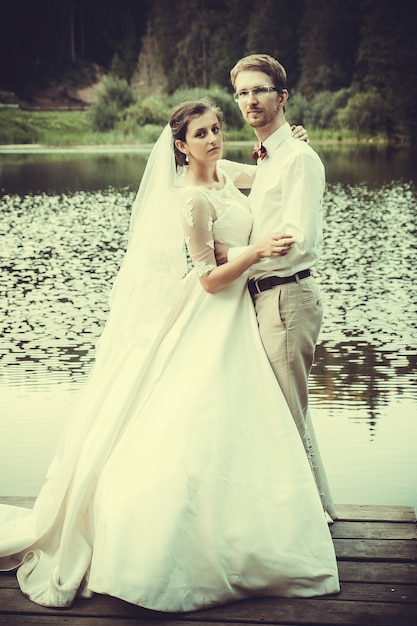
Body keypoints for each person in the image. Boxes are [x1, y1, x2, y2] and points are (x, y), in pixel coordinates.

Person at [0, 99, 339, 612]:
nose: (213, 138)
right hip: (212, 311)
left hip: (240, 312)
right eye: (200, 134)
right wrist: (252, 252)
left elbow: (270, 169)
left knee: (242, 419)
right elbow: (206, 278)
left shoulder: (227, 172)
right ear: (180, 146)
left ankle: (248, 520)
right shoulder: (191, 200)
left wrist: (292, 144)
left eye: (216, 128)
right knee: (191, 415)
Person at [216, 54, 336, 521]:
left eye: (261, 90)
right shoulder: (269, 155)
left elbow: (295, 238)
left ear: (282, 97)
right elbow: (222, 171)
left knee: (289, 414)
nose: (251, 100)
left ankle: (306, 521)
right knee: (287, 412)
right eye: (243, 92)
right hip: (265, 297)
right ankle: (315, 510)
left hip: (287, 295)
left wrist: (235, 255)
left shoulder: (299, 159)